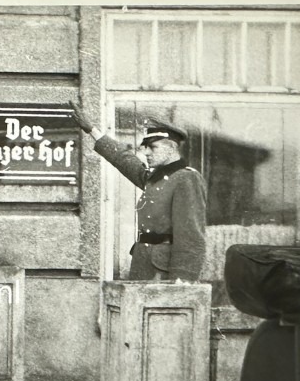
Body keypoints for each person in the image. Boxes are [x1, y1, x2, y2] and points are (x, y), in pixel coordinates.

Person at [73, 104, 207, 281]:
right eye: (145, 147)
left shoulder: (186, 179)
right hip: (143, 266)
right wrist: (93, 131)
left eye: (153, 147)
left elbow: (191, 237)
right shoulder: (156, 177)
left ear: (172, 148)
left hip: (166, 274)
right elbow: (125, 160)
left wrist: (183, 281)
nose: (146, 153)